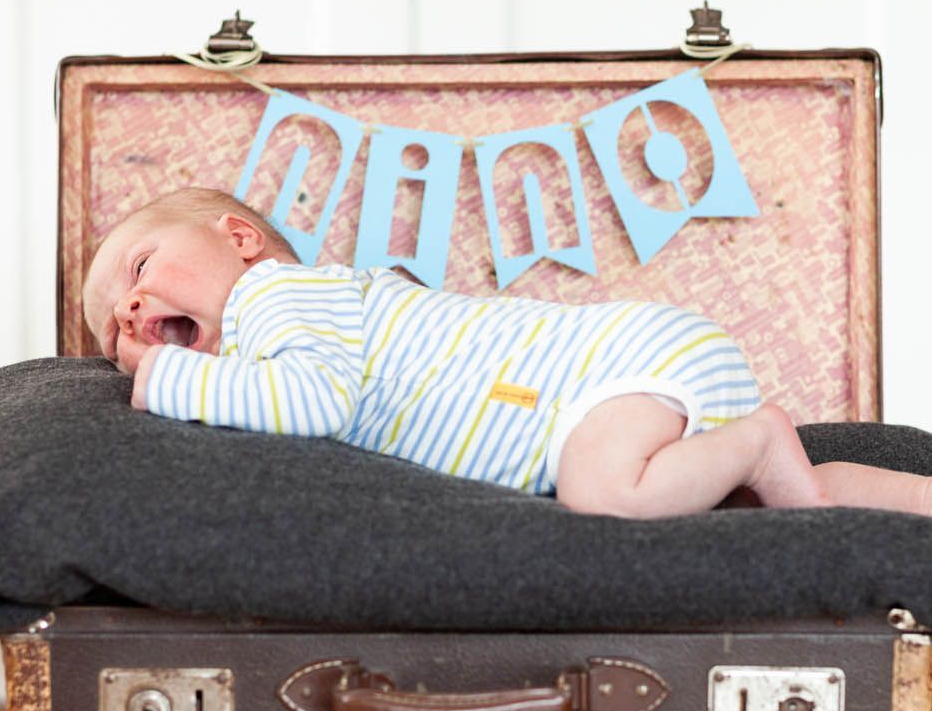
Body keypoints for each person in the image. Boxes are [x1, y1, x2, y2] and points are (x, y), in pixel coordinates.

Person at [82, 187, 932, 519]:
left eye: (141, 268)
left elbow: (319, 401)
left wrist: (164, 376)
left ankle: (756, 435)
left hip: (605, 371)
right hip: (616, 385)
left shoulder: (281, 298)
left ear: (240, 240)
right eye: (113, 329)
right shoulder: (261, 355)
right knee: (785, 503)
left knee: (605, 495)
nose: (127, 310)